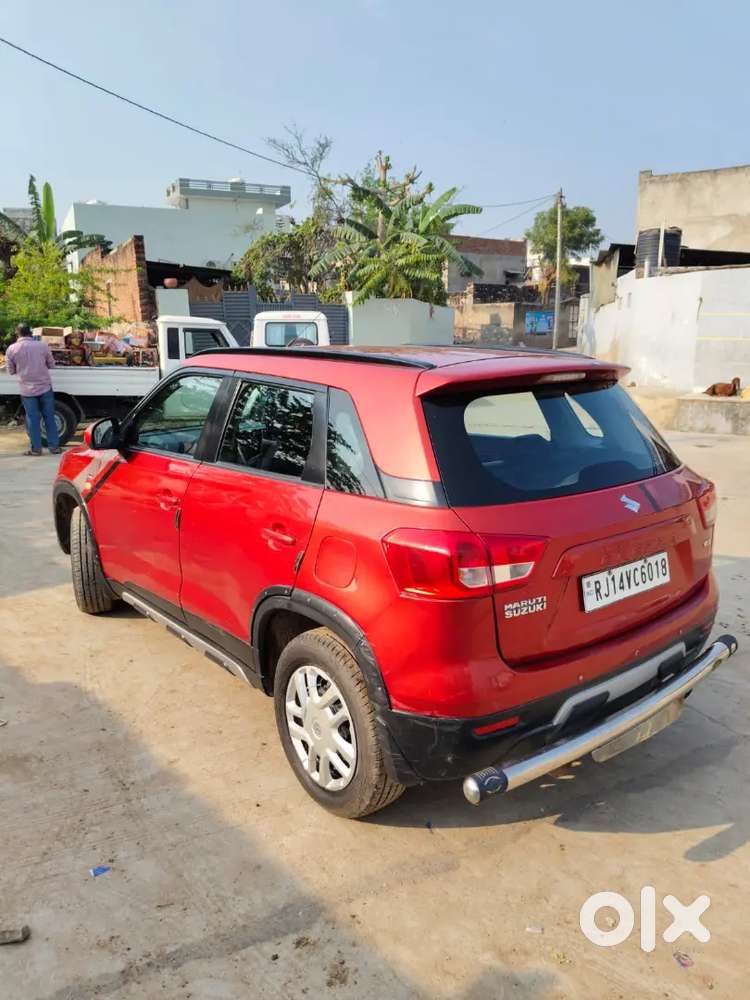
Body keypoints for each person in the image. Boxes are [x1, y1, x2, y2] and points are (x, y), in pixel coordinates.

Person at [4, 323, 60, 456]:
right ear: (30, 332)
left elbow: (10, 371)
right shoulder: (42, 346)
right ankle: (54, 448)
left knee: (32, 419)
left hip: (27, 390)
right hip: (45, 387)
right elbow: (52, 364)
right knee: (49, 417)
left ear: (17, 333)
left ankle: (36, 449)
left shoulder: (11, 349)